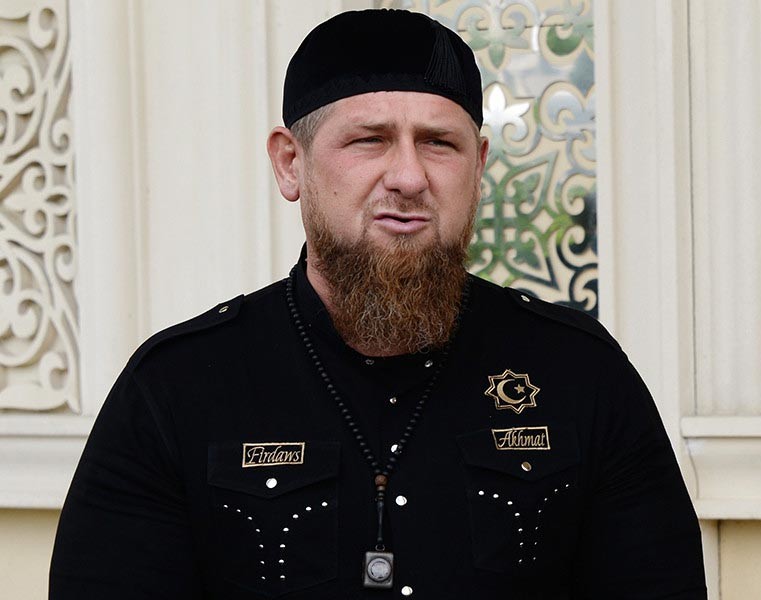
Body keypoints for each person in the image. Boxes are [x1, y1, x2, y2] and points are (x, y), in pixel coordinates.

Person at [50, 9, 706, 600]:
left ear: (478, 167)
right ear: (290, 163)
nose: (409, 177)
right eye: (369, 139)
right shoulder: (176, 388)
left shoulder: (579, 374)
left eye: (439, 143)